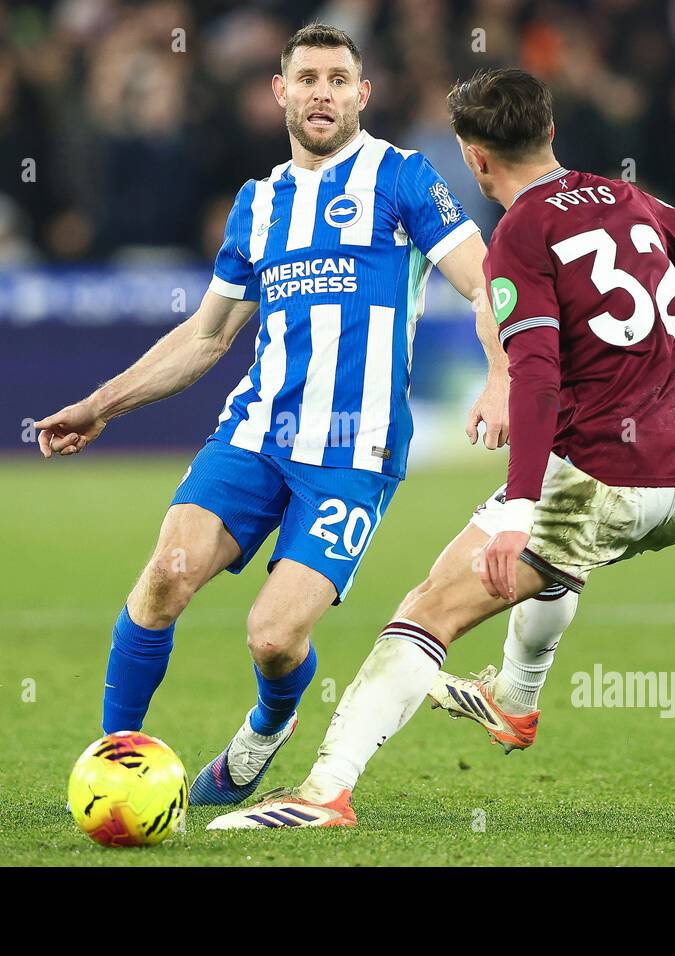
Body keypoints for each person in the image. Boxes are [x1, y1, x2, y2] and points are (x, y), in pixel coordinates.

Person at [206, 67, 675, 829]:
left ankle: (324, 792)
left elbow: (537, 375)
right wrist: (641, 243)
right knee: (558, 559)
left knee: (427, 611)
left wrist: (520, 504)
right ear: (551, 131)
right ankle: (515, 698)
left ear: (474, 158)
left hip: (607, 479)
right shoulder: (627, 199)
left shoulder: (521, 232)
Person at [32, 25, 508, 807]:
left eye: (338, 79)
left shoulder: (403, 178)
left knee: (274, 636)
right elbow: (209, 334)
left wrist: (499, 374)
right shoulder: (257, 205)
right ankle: (116, 763)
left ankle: (266, 727)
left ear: (362, 94)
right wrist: (101, 404)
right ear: (280, 93)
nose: (323, 92)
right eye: (308, 78)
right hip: (255, 434)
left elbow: (484, 279)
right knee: (163, 579)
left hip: (354, 452)